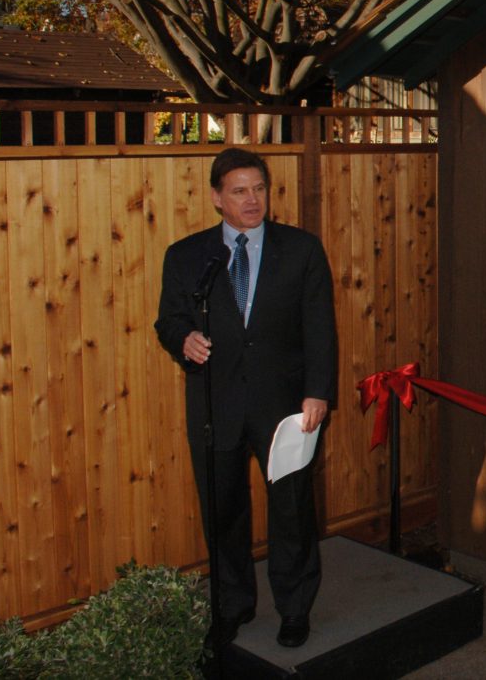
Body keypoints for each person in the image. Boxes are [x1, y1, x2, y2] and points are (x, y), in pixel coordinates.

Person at [155, 148, 338, 649]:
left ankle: (295, 608)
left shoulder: (301, 250)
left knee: (291, 510)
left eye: (258, 188)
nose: (251, 200)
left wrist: (318, 393)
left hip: (286, 409)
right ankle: (233, 606)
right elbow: (169, 320)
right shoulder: (188, 256)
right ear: (217, 198)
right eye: (239, 191)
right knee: (224, 511)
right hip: (216, 406)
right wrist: (183, 340)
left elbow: (320, 327)